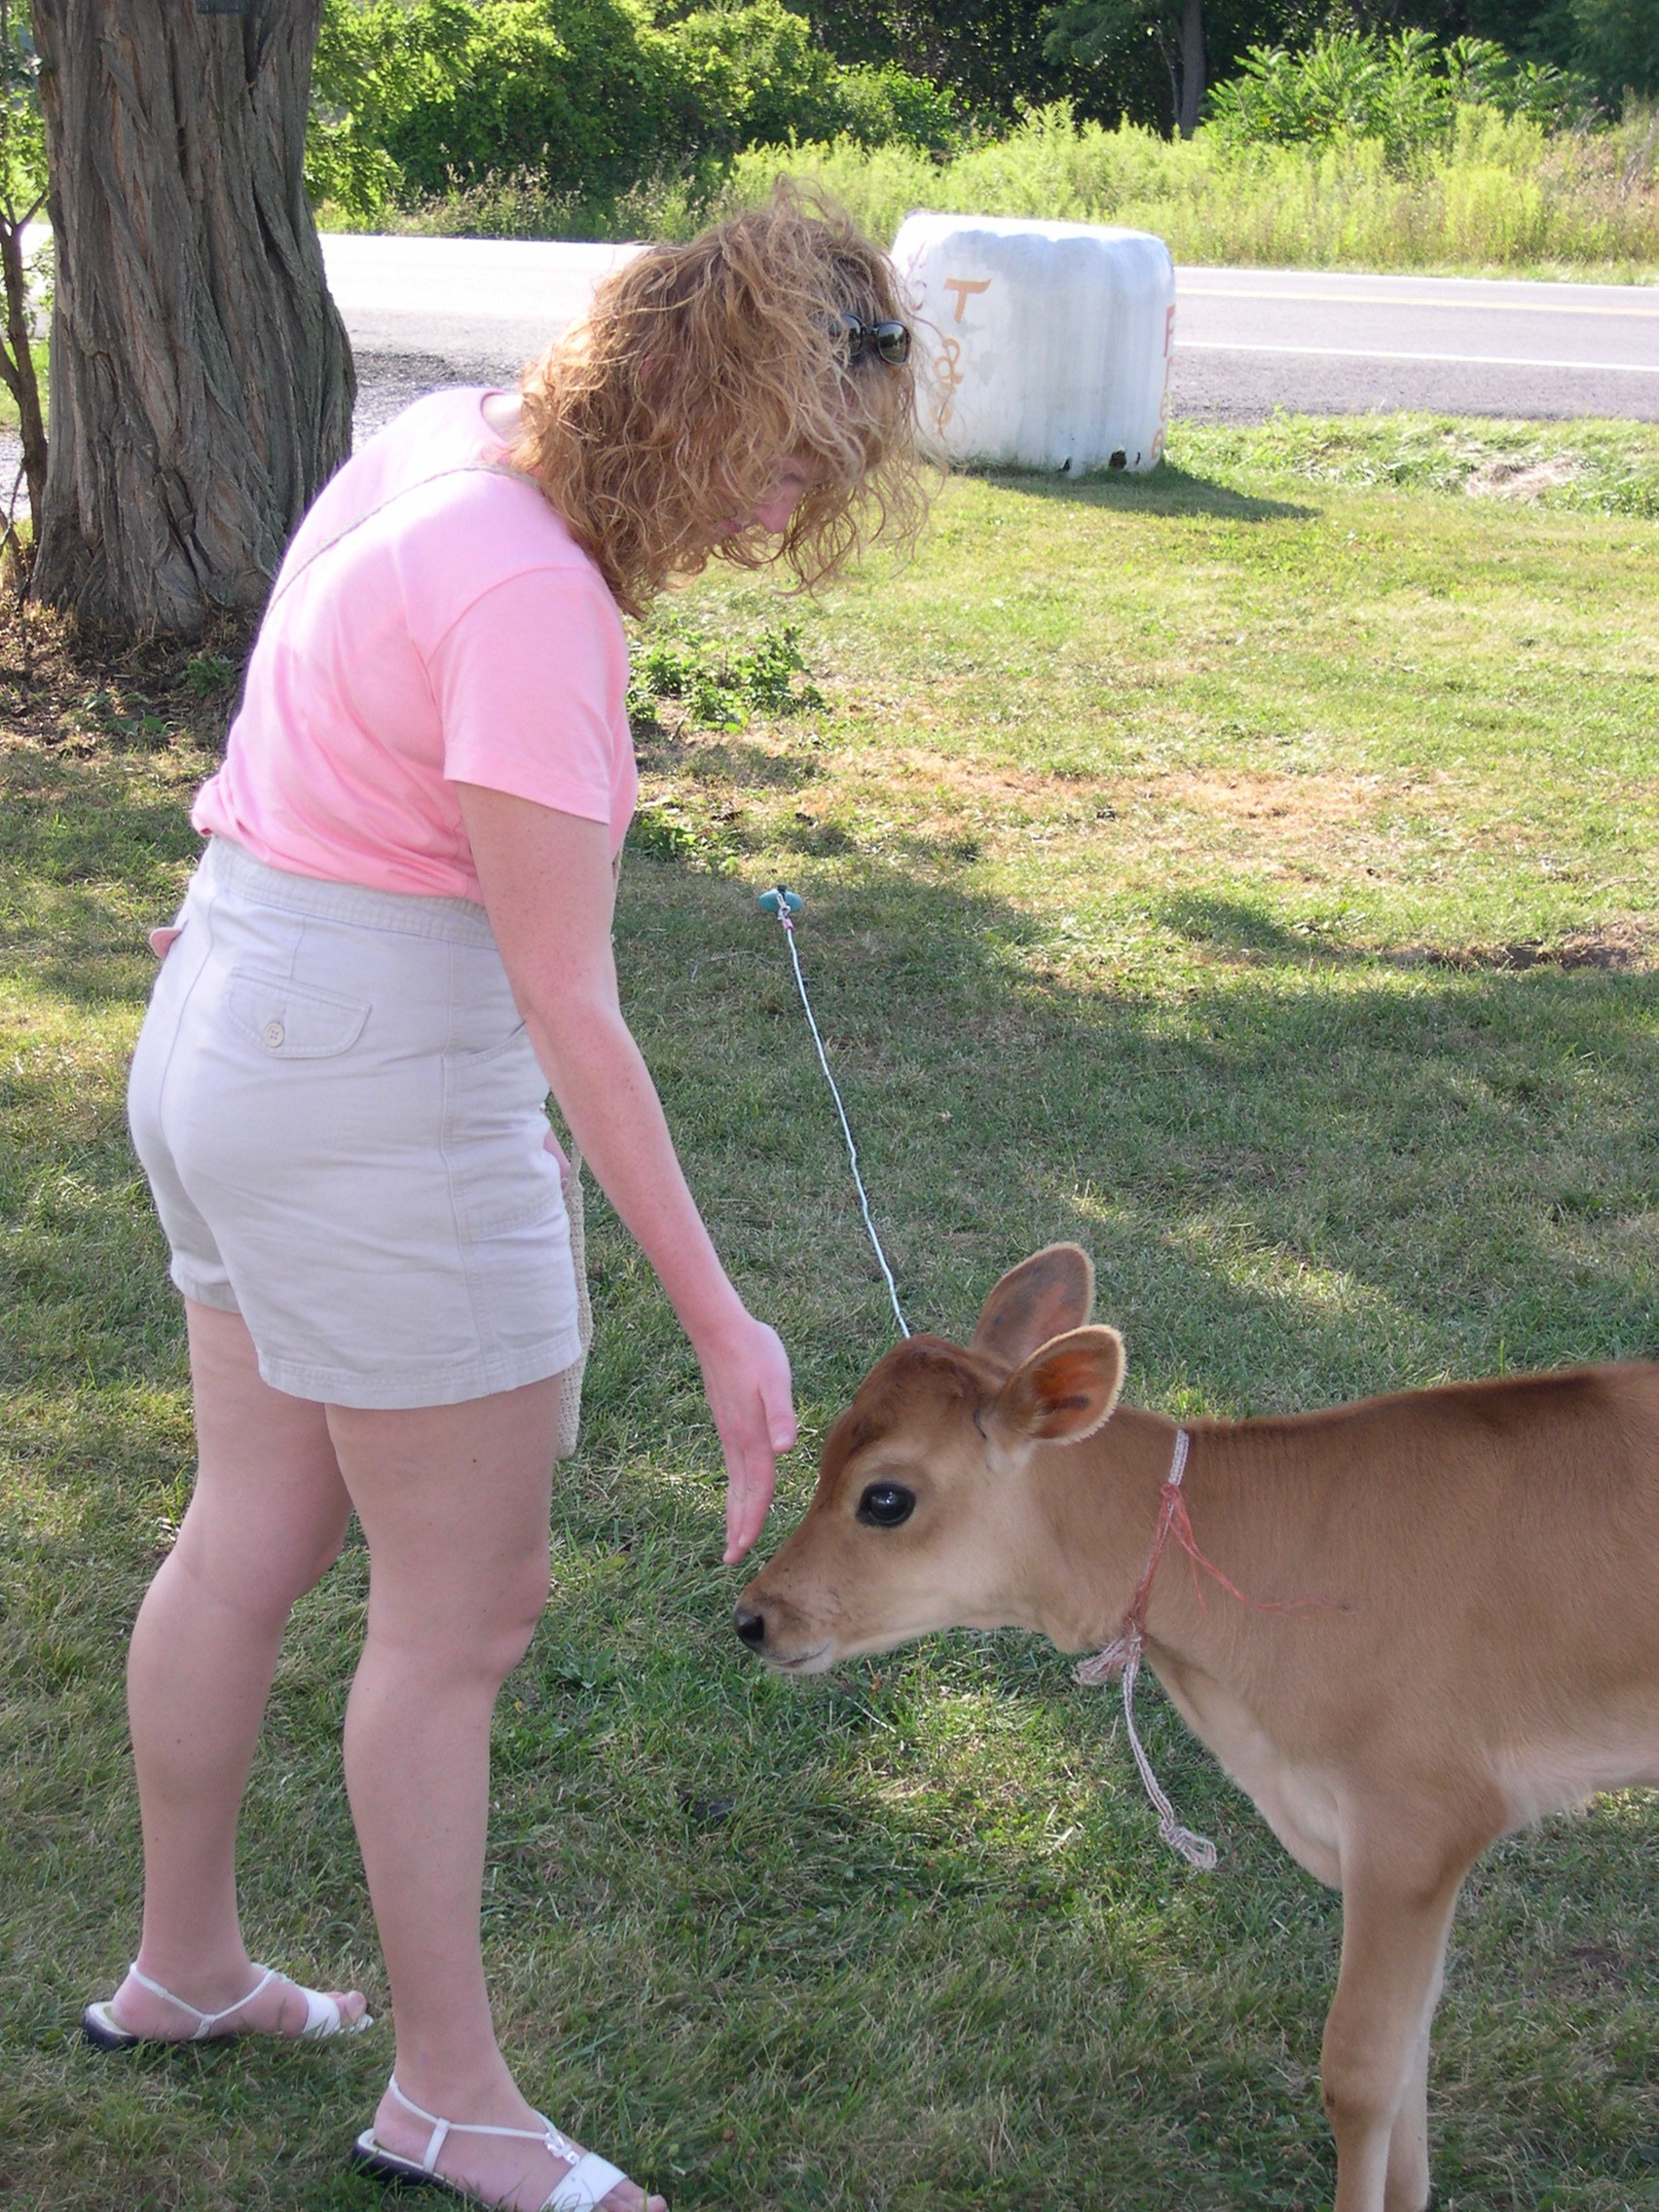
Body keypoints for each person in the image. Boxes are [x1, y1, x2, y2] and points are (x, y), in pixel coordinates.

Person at [86, 190, 926, 2212]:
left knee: (251, 1525)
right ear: (702, 390)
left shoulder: (446, 439)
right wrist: (729, 1326)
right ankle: (449, 2095)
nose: (781, 509)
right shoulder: (538, 604)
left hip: (225, 1018)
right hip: (364, 1076)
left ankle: (187, 1966)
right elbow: (571, 1003)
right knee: (463, 1616)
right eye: (789, 452)